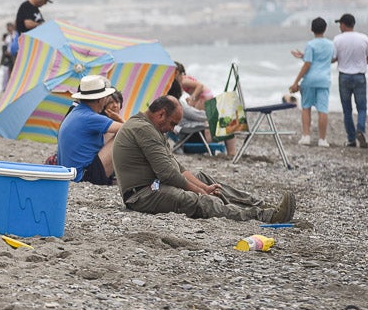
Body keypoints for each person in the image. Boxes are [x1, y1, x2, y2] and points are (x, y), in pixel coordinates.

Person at [113, 96, 297, 223]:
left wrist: (204, 187)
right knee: (199, 201)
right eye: (172, 124)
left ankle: (262, 206)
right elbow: (168, 174)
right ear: (161, 114)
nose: (172, 129)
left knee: (204, 179)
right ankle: (265, 216)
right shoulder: (142, 129)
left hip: (155, 185)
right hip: (142, 194)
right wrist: (201, 193)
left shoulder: (153, 128)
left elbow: (177, 166)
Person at [54, 75, 124, 185]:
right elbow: (128, 129)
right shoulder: (90, 117)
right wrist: (120, 119)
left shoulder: (76, 111)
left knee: (110, 133)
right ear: (100, 100)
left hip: (71, 174)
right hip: (84, 177)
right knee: (122, 136)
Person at [332, 13, 368, 148]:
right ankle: (360, 130)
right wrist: (359, 62)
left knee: (347, 109)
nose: (340, 26)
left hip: (344, 76)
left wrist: (343, 59)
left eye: (340, 24)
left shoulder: (337, 39)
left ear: (344, 25)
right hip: (359, 76)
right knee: (362, 107)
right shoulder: (364, 38)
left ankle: (351, 139)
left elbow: (333, 58)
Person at [290, 17, 335, 147]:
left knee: (306, 107)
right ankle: (322, 139)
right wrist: (304, 56)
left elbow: (308, 64)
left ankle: (306, 136)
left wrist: (296, 82)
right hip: (324, 80)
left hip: (309, 80)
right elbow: (329, 59)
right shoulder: (330, 44)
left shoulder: (310, 45)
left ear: (311, 29)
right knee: (323, 110)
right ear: (325, 29)